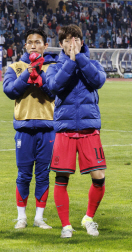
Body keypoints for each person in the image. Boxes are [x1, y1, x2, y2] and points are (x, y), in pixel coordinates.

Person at [45, 24, 107, 238]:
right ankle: (66, 226)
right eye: (68, 40)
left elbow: (98, 80)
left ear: (82, 41)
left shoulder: (92, 63)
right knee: (62, 178)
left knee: (99, 177)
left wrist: (79, 59)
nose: (73, 44)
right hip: (65, 129)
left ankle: (89, 218)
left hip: (90, 128)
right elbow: (53, 87)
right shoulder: (53, 67)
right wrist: (71, 63)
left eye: (76, 39)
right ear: (61, 44)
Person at [3, 28, 57, 230]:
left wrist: (40, 73)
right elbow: (9, 91)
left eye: (38, 42)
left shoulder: (52, 67)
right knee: (23, 174)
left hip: (47, 128)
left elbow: (53, 91)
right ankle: (21, 217)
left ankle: (39, 218)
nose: (34, 45)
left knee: (43, 174)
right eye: (30, 42)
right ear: (25, 45)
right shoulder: (15, 67)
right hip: (24, 129)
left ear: (45, 45)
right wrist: (28, 72)